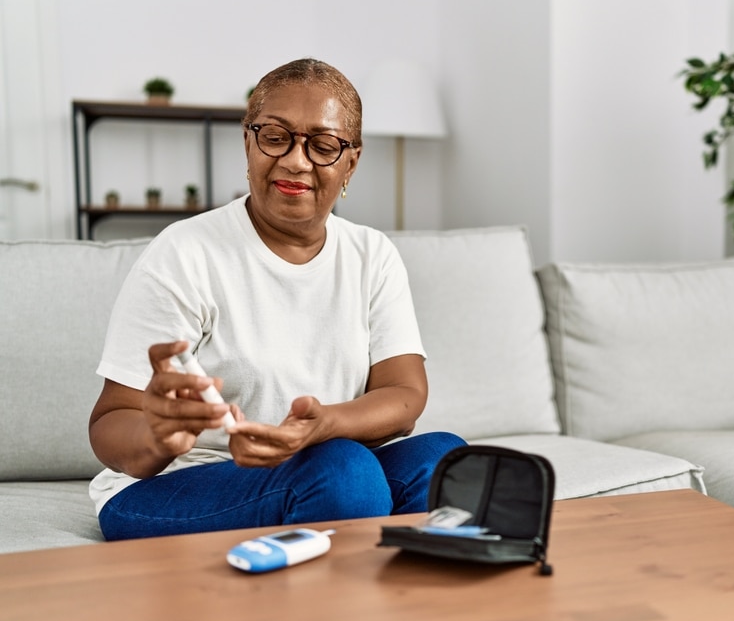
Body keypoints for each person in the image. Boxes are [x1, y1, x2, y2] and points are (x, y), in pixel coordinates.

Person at [88, 58, 466, 540]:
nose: (295, 160)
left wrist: (324, 424)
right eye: (274, 136)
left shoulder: (372, 254)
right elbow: (109, 423)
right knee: (345, 472)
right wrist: (158, 437)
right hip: (172, 486)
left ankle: (393, 594)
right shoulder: (185, 252)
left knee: (445, 460)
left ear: (350, 161)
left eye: (323, 145)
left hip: (315, 465)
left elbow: (405, 396)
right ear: (248, 142)